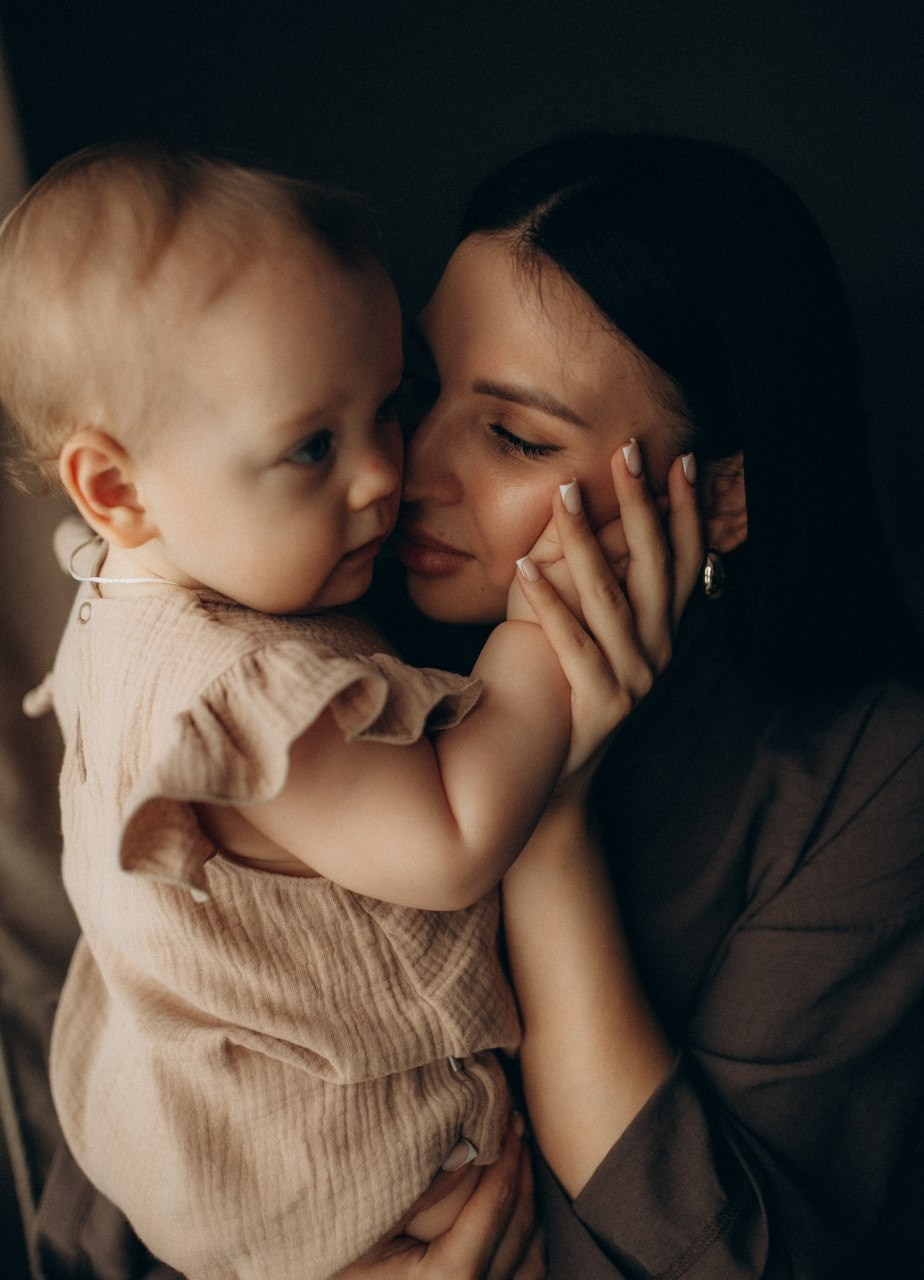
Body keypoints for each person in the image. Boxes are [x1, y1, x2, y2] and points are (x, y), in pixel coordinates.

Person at [30, 131, 924, 1279]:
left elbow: (730, 1256)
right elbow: (131, 1120)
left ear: (719, 494)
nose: (402, 468)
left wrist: (549, 812)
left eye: (514, 434)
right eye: (414, 389)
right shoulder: (308, 623)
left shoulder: (873, 770)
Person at [1, 142, 696, 1280]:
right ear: (117, 489)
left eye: (385, 405)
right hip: (331, 1188)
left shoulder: (133, 589)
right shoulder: (241, 689)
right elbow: (455, 838)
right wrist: (530, 644)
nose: (388, 472)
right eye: (313, 446)